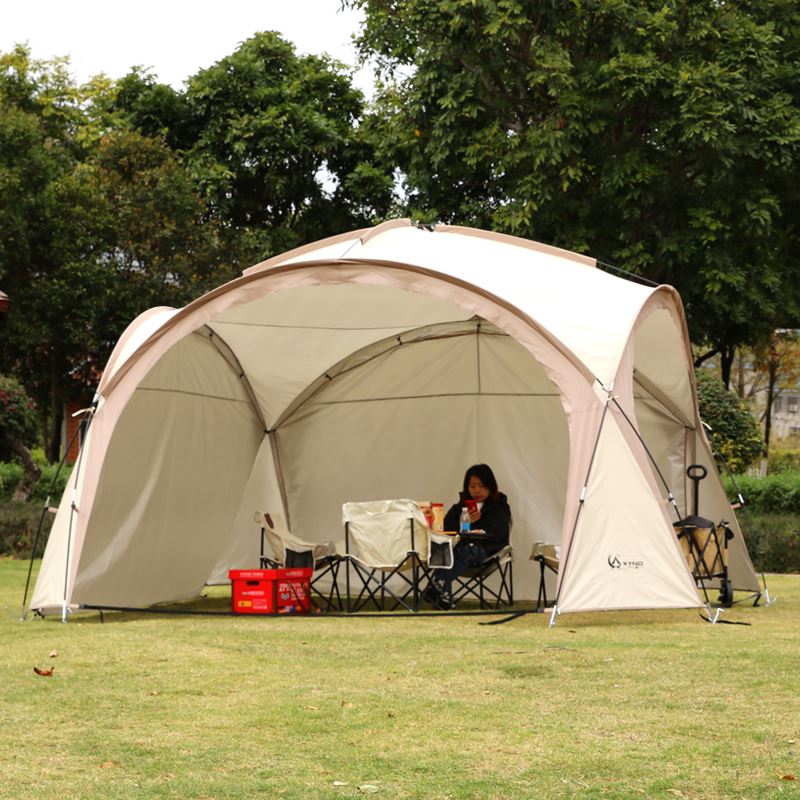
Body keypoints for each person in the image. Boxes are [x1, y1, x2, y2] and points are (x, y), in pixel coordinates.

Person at [427, 463, 511, 608]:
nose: (477, 490)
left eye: (481, 485)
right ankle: (442, 596)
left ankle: (437, 585)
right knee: (443, 550)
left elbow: (498, 534)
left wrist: (475, 528)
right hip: (458, 551)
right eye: (472, 486)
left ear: (490, 486)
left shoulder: (499, 507)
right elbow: (444, 527)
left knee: (469, 550)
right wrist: (464, 522)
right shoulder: (460, 506)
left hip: (487, 552)